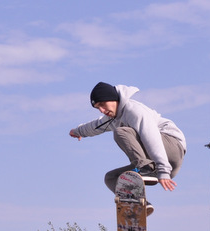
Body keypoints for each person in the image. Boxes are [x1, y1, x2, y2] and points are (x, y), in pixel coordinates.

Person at [69, 82, 187, 215]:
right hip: (158, 163)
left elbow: (152, 137)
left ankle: (146, 168)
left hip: (171, 147)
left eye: (102, 104)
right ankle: (140, 204)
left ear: (113, 99)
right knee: (112, 178)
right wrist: (78, 131)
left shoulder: (134, 110)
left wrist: (163, 169)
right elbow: (96, 126)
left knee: (121, 132)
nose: (102, 110)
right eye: (98, 108)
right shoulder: (111, 118)